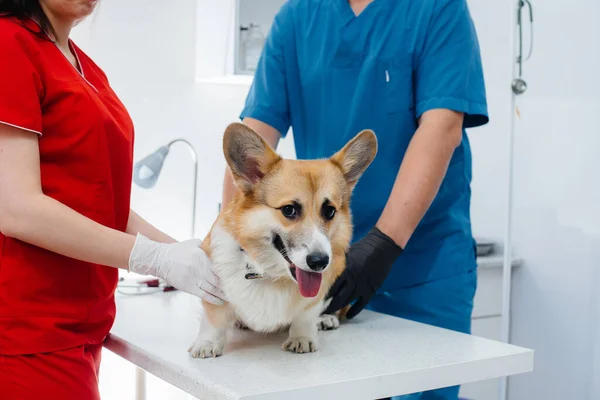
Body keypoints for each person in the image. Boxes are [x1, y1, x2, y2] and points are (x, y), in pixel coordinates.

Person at [223, 0, 488, 398]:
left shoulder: (437, 8)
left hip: (423, 269)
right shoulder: (297, 18)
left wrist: (383, 244)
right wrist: (226, 243)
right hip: (322, 272)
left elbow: (442, 129)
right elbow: (253, 139)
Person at [0, 1, 225, 399]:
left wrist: (182, 253)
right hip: (27, 335)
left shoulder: (81, 65)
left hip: (83, 329)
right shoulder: (9, 44)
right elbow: (16, 208)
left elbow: (100, 202)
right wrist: (153, 259)